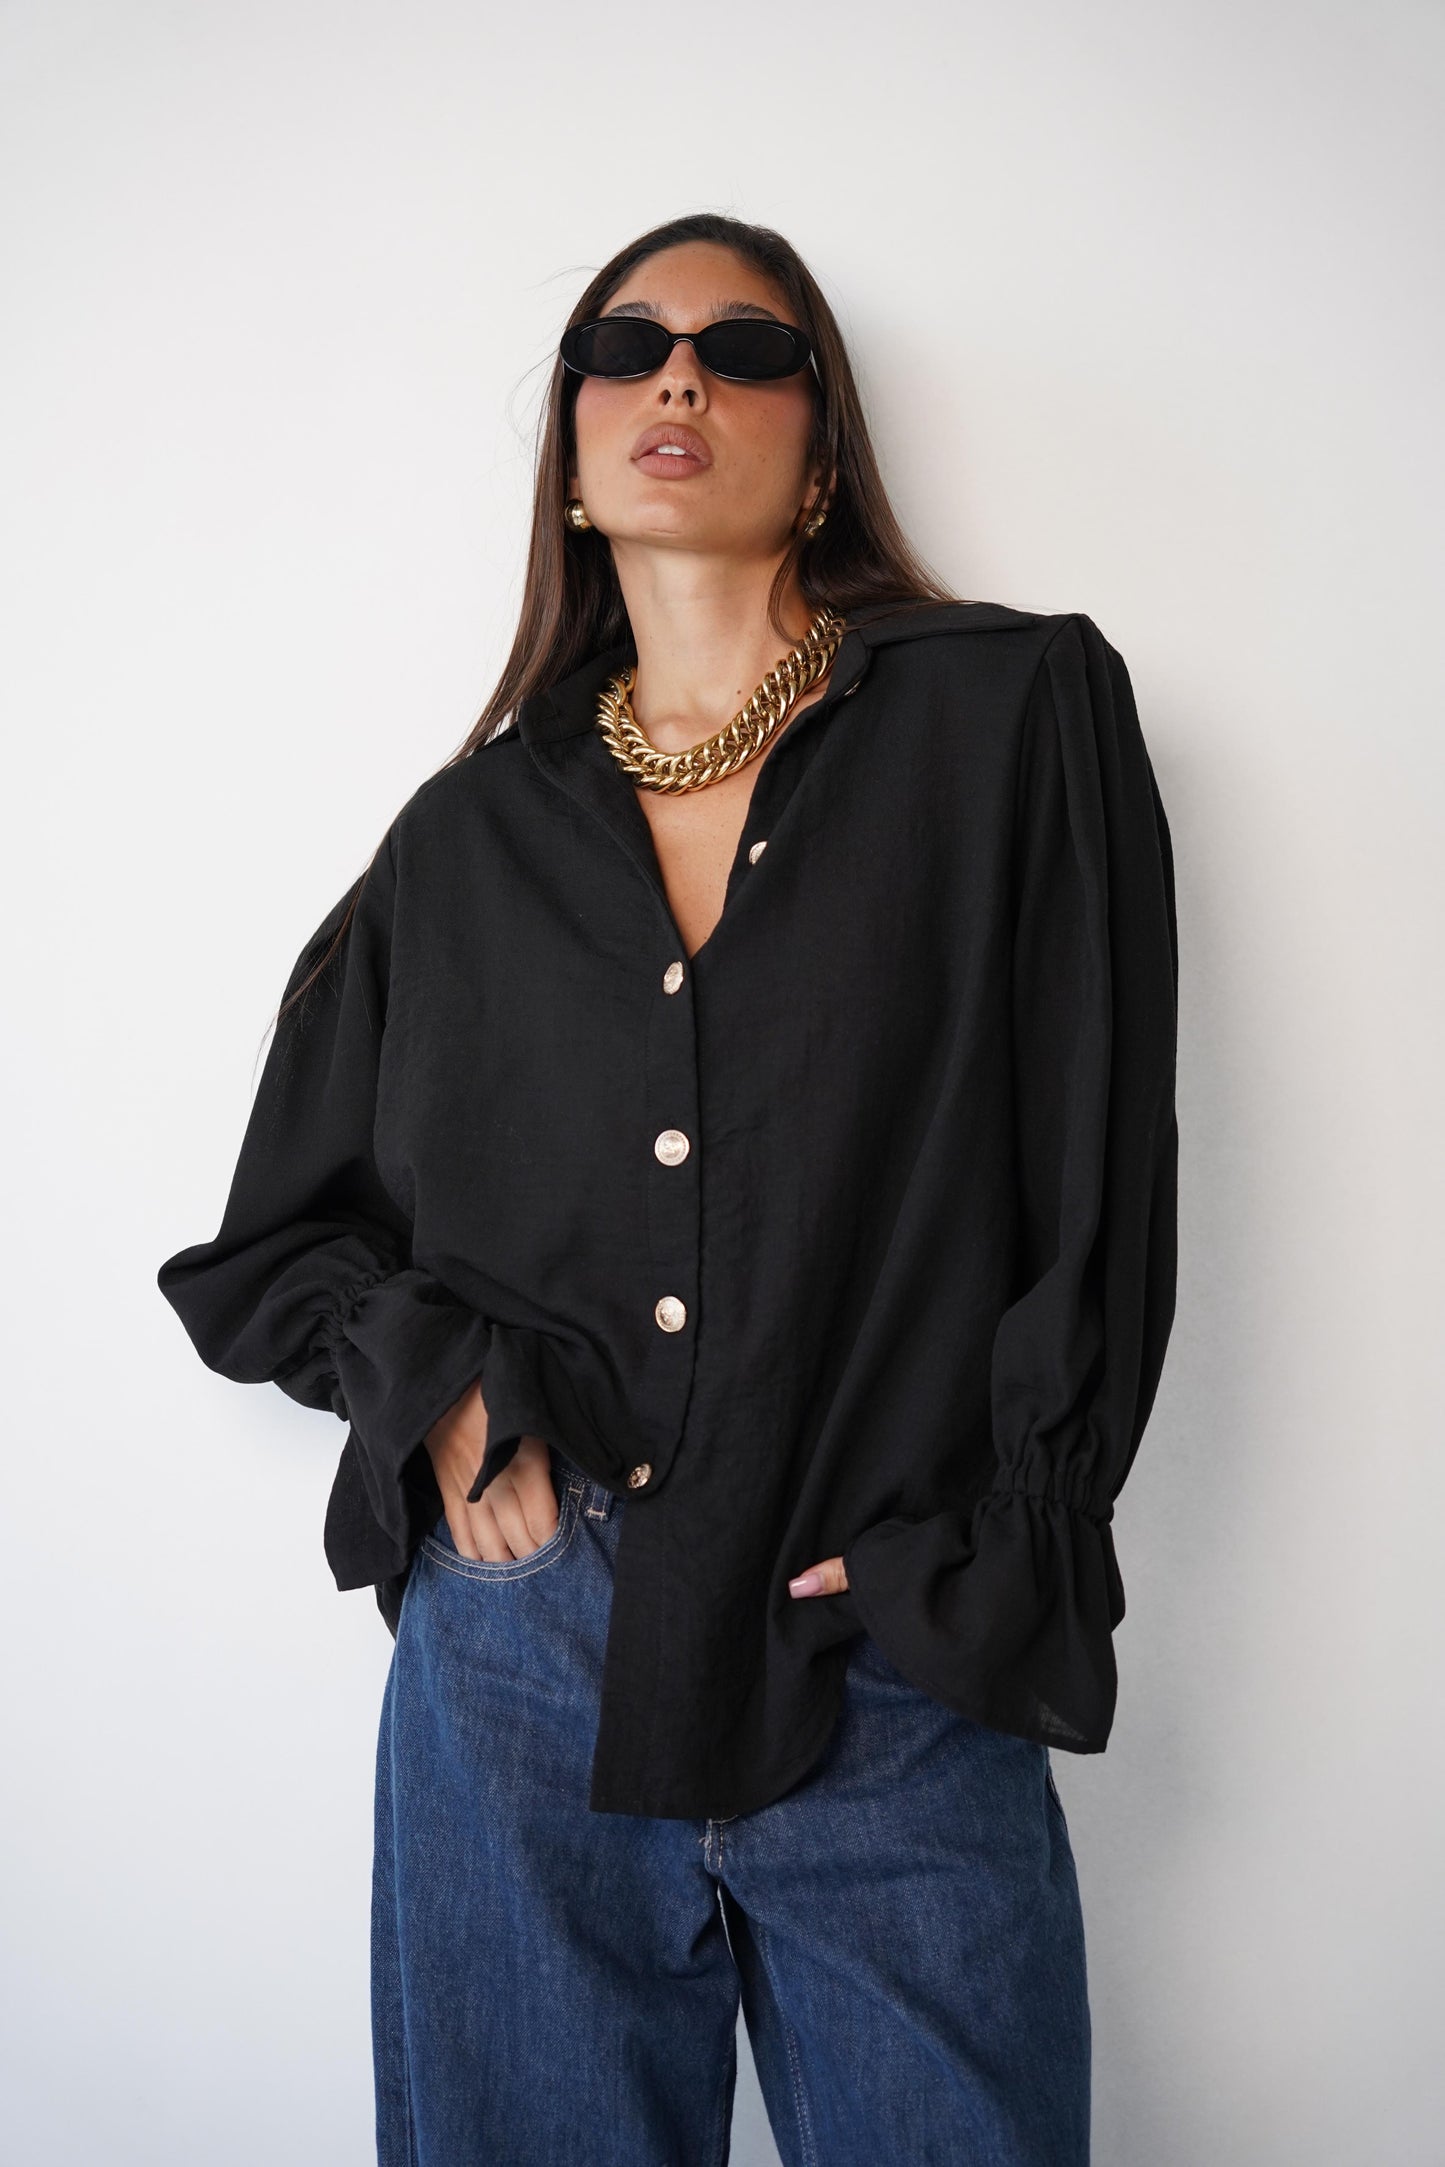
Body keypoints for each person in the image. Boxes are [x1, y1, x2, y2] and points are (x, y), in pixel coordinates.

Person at [157, 210, 1179, 2166]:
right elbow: (277, 1239)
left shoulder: (1010, 721)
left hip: (891, 1643)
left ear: (825, 447)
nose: (678, 375)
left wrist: (992, 1545)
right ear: (570, 452)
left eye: (744, 346)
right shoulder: (464, 842)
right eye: (622, 349)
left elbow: (1097, 1166)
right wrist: (448, 1398)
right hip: (524, 1662)